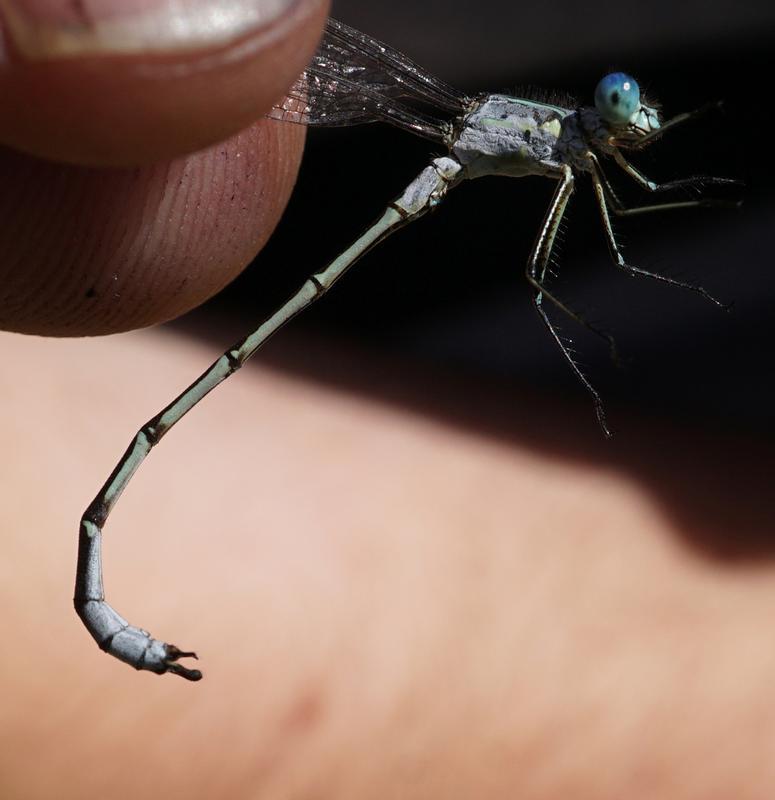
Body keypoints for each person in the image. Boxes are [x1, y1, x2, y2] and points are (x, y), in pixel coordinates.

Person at [1, 2, 773, 797]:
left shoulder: (583, 144)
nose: (633, 120)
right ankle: (100, 524)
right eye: (622, 108)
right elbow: (586, 255)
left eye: (631, 111)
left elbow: (632, 196)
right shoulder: (561, 144)